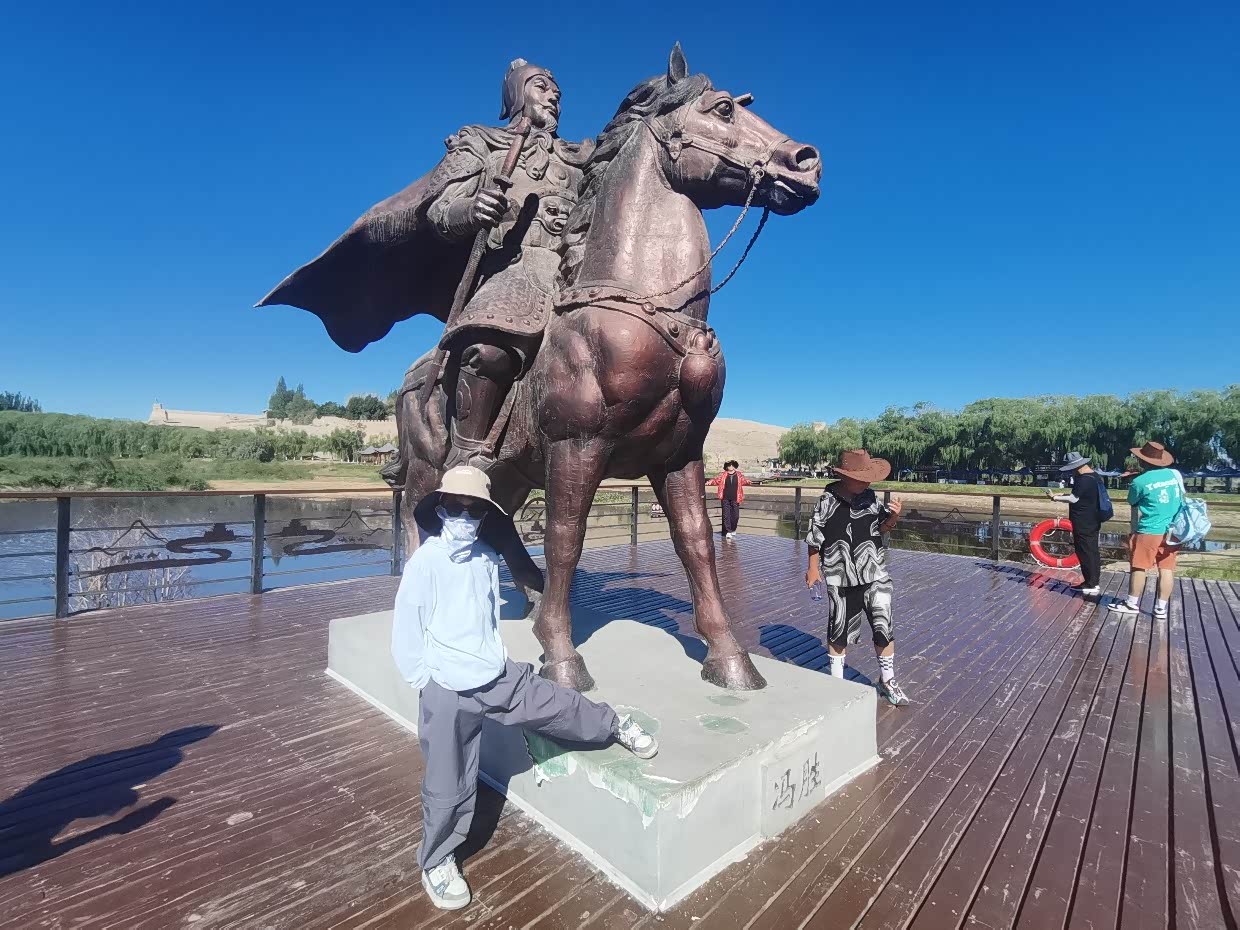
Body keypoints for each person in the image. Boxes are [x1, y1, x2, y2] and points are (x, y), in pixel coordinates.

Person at [391, 465, 658, 911]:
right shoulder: (425, 563)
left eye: (474, 510)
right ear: (440, 509)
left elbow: (483, 618)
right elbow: (407, 629)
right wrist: (426, 680)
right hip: (446, 687)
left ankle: (614, 725)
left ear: (485, 516)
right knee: (446, 780)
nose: (464, 517)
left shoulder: (484, 559)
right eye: (455, 507)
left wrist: (491, 657)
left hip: (496, 676)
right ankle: (437, 860)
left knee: (557, 705)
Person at [804, 449, 908, 706]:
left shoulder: (870, 497)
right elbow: (815, 538)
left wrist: (894, 517)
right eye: (861, 478)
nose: (866, 483)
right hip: (840, 575)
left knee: (884, 626)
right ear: (845, 477)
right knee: (839, 629)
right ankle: (837, 685)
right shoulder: (827, 500)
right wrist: (813, 568)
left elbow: (880, 529)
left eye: (868, 478)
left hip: (875, 573)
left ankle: (887, 680)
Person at [1110, 441, 1182, 621]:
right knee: (1166, 568)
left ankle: (1132, 604)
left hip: (1149, 530)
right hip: (1173, 530)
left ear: (1143, 461)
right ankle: (1161, 609)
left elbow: (1132, 501)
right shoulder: (1175, 475)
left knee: (1139, 566)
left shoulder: (1139, 481)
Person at [1046, 451, 1104, 595]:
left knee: (1085, 551)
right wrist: (1063, 495)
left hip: (1084, 521)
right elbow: (1081, 496)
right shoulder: (1095, 476)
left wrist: (1056, 498)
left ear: (1076, 466)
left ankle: (1091, 584)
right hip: (1093, 519)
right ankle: (1092, 581)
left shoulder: (1083, 479)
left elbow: (1074, 498)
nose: (1072, 471)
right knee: (1092, 550)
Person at [707, 460, 752, 539]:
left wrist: (748, 481)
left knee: (736, 515)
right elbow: (716, 481)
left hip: (736, 498)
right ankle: (728, 531)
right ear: (726, 467)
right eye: (729, 465)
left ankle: (733, 529)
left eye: (732, 465)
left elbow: (743, 481)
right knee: (726, 515)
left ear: (734, 466)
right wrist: (710, 482)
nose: (730, 467)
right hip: (725, 498)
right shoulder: (723, 475)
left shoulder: (739, 475)